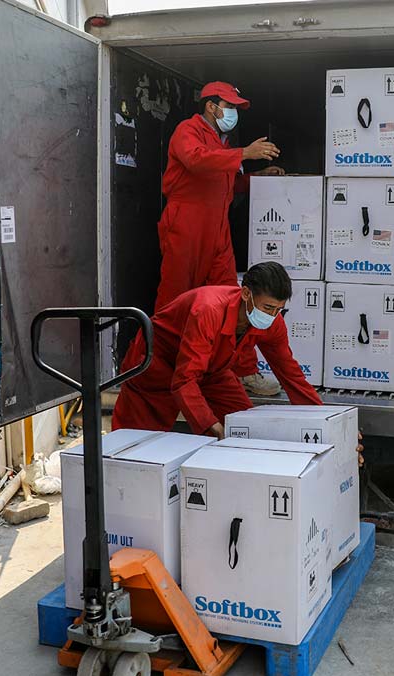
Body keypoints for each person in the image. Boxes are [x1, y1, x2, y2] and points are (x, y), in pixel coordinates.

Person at [156, 80, 285, 397]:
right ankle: (159, 369)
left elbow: (227, 184)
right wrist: (245, 152)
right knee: (175, 299)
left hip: (217, 227)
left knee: (235, 297)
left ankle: (243, 371)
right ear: (211, 106)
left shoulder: (221, 142)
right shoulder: (187, 131)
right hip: (187, 223)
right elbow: (197, 161)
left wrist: (257, 178)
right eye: (229, 107)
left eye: (236, 108)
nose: (234, 113)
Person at [113, 262, 321, 439]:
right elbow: (185, 379)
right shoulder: (208, 310)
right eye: (267, 308)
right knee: (136, 446)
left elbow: (291, 375)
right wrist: (212, 427)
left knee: (246, 428)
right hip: (156, 365)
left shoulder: (272, 322)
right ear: (246, 293)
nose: (272, 315)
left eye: (279, 309)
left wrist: (325, 421)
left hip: (212, 370)